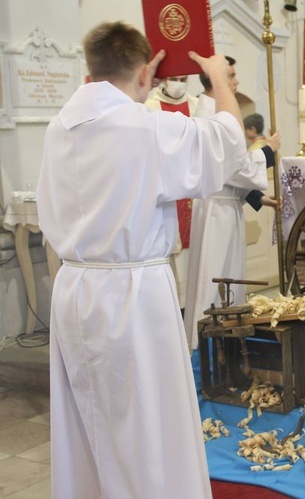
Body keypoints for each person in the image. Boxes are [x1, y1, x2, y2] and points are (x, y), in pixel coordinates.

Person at [36, 21, 247, 498]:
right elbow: (228, 142)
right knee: (147, 427)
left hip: (73, 289)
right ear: (145, 72)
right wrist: (216, 81)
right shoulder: (146, 128)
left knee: (89, 423)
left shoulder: (58, 126)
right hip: (133, 295)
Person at [184, 58, 281, 351]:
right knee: (215, 279)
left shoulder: (216, 110)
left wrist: (255, 197)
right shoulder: (209, 115)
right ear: (214, 78)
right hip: (216, 211)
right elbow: (234, 165)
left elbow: (227, 172)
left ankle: (230, 338)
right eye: (232, 75)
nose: (236, 82)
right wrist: (267, 152)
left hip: (227, 205)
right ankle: (205, 348)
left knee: (231, 278)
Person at [145, 75, 199, 310]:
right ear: (164, 80)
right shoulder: (150, 107)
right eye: (174, 78)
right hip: (167, 189)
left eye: (183, 78)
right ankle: (177, 308)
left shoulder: (196, 105)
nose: (178, 83)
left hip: (194, 187)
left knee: (196, 250)